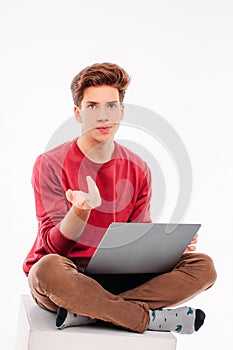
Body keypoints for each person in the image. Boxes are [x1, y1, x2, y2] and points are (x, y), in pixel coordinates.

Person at [23, 62, 217, 335]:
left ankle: (88, 313)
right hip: (69, 276)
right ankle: (146, 319)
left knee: (203, 267)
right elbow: (53, 248)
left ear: (122, 111)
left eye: (111, 106)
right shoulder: (49, 163)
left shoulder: (138, 167)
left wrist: (166, 249)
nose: (103, 116)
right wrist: (79, 212)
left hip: (120, 279)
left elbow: (135, 239)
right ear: (78, 114)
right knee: (46, 270)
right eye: (93, 107)